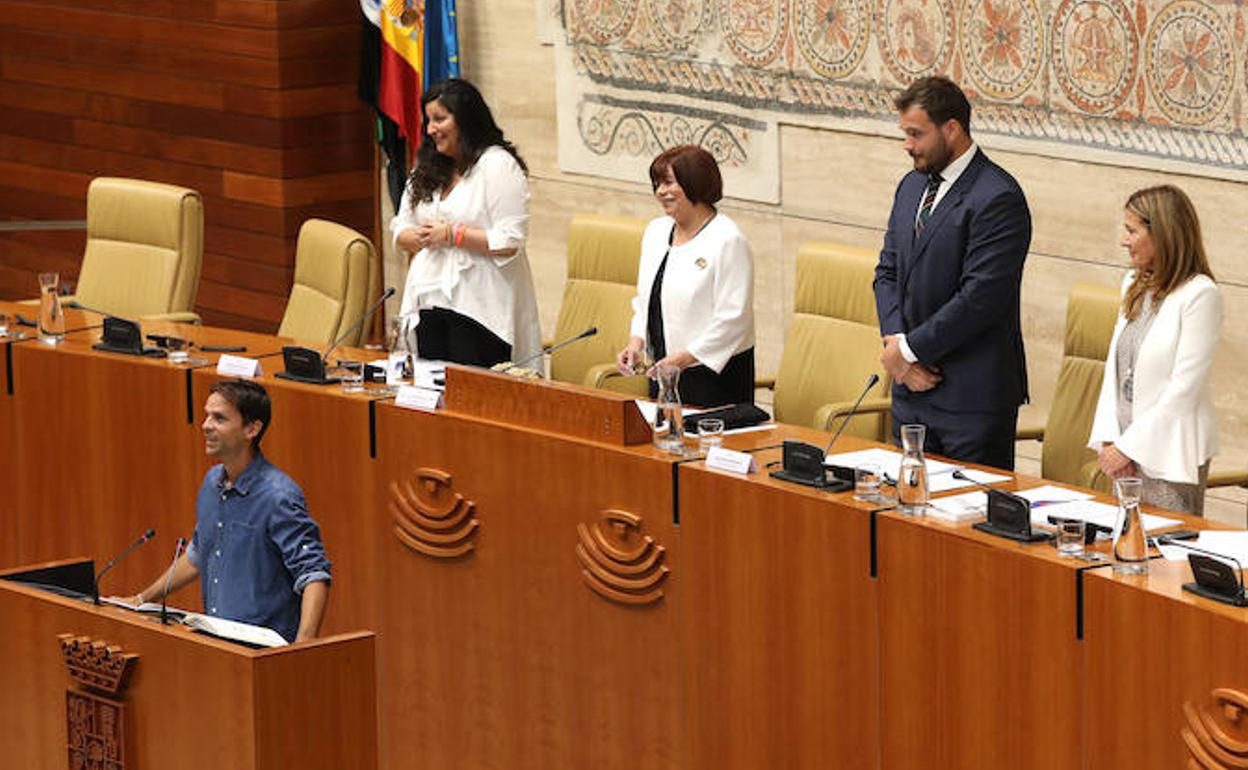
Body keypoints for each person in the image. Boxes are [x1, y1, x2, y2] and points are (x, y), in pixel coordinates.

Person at [873, 76, 1031, 470]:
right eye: (905, 134)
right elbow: (887, 272)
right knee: (906, 503)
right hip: (910, 394)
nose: (907, 144)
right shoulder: (911, 187)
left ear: (952, 129)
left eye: (916, 134)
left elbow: (979, 299)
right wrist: (896, 345)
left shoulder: (997, 196)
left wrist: (907, 352)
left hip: (971, 402)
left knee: (967, 508)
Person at [115, 380, 331, 643]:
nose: (206, 425)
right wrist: (141, 600)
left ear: (252, 429)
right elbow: (198, 554)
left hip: (263, 650)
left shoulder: (278, 496)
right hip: (218, 642)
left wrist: (303, 647)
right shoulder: (212, 483)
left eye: (219, 418)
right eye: (207, 415)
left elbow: (313, 574)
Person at [1088, 185, 1221, 515]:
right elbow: (1115, 369)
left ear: (1163, 233)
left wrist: (1128, 448)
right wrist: (1110, 440)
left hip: (1167, 455)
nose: (1124, 240)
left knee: (1166, 544)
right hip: (1123, 455)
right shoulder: (1133, 283)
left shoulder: (1200, 294)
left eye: (1132, 231)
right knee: (1123, 540)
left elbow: (1183, 391)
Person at [391, 78, 541, 368]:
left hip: (483, 309)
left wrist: (453, 235)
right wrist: (420, 237)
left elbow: (510, 240)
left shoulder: (497, 165)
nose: (430, 129)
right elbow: (400, 227)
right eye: (428, 121)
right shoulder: (428, 166)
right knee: (431, 383)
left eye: (439, 119)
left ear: (464, 120)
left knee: (476, 387)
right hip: (429, 299)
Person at [616, 145, 755, 408]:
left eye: (669, 183)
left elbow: (733, 319)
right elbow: (645, 300)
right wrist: (635, 343)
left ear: (695, 183)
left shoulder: (728, 240)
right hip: (664, 369)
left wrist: (683, 359)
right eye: (657, 184)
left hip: (712, 375)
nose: (661, 191)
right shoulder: (656, 232)